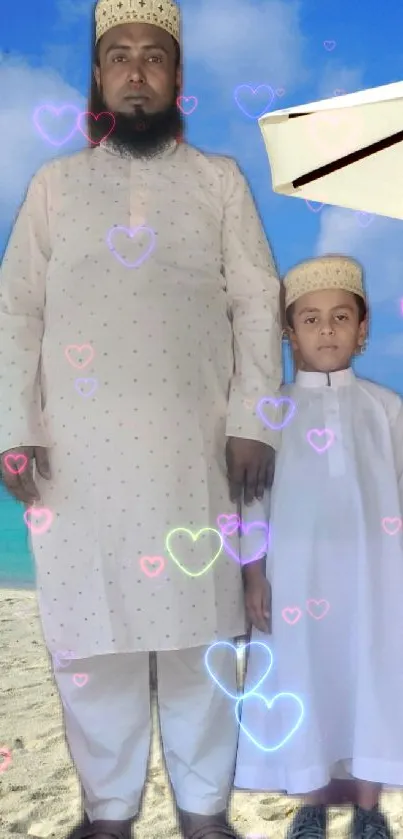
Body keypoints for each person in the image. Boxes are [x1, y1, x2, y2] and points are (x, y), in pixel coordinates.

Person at [0, 0, 283, 837]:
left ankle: (203, 814)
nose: (134, 70)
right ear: (97, 75)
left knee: (199, 640)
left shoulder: (218, 180)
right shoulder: (55, 187)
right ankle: (109, 810)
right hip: (76, 459)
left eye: (152, 57)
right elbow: (16, 311)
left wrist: (254, 423)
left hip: (194, 451)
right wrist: (14, 425)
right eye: (117, 55)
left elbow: (259, 303)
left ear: (176, 77)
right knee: (95, 644)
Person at [233, 255, 403, 839]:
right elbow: (251, 501)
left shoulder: (386, 409)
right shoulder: (271, 410)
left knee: (369, 673)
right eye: (309, 319)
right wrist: (254, 576)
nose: (325, 329)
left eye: (339, 317)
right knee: (300, 676)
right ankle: (307, 803)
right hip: (295, 577)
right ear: (289, 332)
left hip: (375, 577)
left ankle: (367, 809)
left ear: (362, 328)